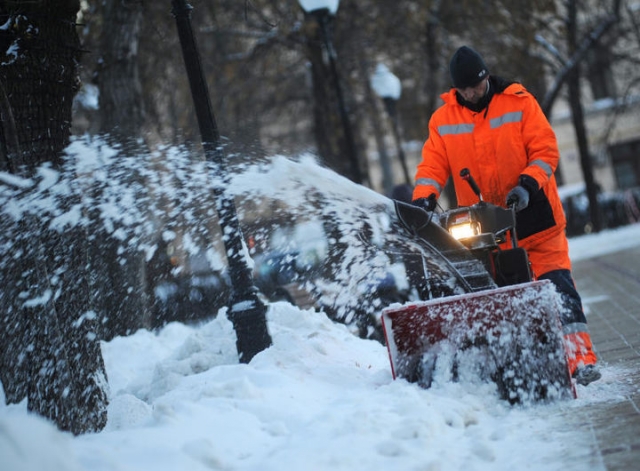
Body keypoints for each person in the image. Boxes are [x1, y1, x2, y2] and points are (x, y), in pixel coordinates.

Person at [412, 45, 601, 386]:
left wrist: (527, 184)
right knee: (497, 302)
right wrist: (424, 199)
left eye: (478, 86)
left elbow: (545, 149)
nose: (472, 93)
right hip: (484, 230)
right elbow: (432, 166)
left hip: (535, 218)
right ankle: (514, 368)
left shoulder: (519, 102)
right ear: (456, 89)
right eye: (465, 89)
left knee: (558, 289)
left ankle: (580, 361)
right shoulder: (443, 120)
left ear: (486, 78)